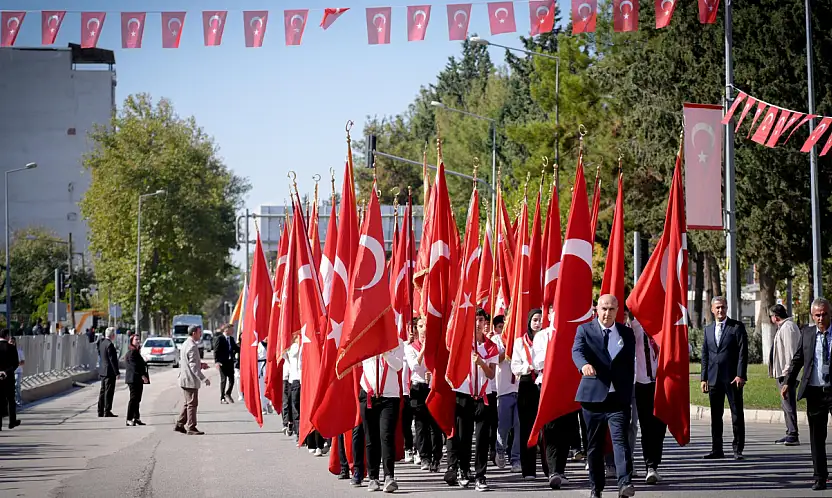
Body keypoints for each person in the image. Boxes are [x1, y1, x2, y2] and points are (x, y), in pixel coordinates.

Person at [573, 294, 636, 498]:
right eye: (603, 309)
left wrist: (627, 390)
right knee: (594, 446)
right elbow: (577, 352)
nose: (607, 313)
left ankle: (624, 483)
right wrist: (584, 365)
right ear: (596, 310)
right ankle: (596, 487)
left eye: (611, 309)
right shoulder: (584, 330)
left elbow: (628, 364)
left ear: (617, 310)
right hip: (593, 399)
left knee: (620, 441)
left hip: (617, 399)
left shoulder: (626, 333)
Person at [781, 298, 832, 491]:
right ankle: (820, 477)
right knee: (817, 438)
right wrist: (787, 382)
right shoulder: (807, 333)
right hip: (815, 392)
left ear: (830, 314)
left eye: (824, 314)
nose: (821, 318)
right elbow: (798, 360)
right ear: (812, 316)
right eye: (817, 315)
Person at [444, 309, 497, 491]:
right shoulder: (461, 344)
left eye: (481, 320)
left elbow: (491, 375)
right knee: (464, 436)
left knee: (482, 437)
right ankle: (463, 470)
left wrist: (481, 362)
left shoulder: (491, 346)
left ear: (485, 323)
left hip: (483, 396)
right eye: (474, 320)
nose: (478, 323)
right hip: (464, 394)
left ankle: (481, 475)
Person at [700, 296, 748, 460]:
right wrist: (703, 378)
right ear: (712, 309)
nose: (720, 310)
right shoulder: (708, 329)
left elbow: (743, 353)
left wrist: (741, 374)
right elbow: (705, 355)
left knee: (736, 414)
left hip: (732, 379)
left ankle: (737, 449)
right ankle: (717, 449)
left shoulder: (736, 327)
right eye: (717, 308)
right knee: (715, 416)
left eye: (723, 307)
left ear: (727, 308)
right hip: (714, 379)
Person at [535, 306, 578, 489]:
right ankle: (552, 470)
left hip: (567, 385)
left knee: (567, 427)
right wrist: (555, 354)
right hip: (547, 384)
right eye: (554, 311)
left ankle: (561, 469)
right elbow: (537, 362)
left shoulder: (572, 333)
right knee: (551, 428)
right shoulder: (542, 336)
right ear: (550, 314)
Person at [360, 342, 405, 493]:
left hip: (389, 396)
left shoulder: (397, 341)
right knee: (371, 437)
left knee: (386, 435)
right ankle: (373, 477)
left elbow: (398, 366)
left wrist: (385, 352)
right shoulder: (365, 337)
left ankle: (389, 476)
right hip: (368, 394)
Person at [511, 308, 548, 480]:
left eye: (540, 319)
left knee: (546, 428)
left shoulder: (548, 339)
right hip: (526, 384)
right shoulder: (520, 342)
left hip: (544, 382)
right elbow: (515, 367)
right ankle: (529, 469)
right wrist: (530, 367)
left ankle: (551, 468)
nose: (537, 322)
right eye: (534, 319)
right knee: (527, 427)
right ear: (529, 321)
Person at [406, 316, 443, 473]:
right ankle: (425, 457)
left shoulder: (436, 346)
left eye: (425, 326)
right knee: (421, 425)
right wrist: (423, 349)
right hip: (418, 388)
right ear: (416, 329)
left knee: (435, 424)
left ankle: (437, 457)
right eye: (420, 326)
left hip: (433, 386)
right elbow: (414, 366)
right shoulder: (411, 347)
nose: (423, 330)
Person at [632, 317, 667, 484]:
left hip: (664, 382)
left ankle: (655, 463)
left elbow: (684, 347)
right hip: (642, 383)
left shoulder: (665, 324)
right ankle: (650, 466)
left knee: (660, 425)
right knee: (646, 426)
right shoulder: (635, 327)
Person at [490, 314, 521, 473]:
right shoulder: (496, 340)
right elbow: (497, 359)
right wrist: (507, 345)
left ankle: (515, 458)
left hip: (519, 388)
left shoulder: (520, 339)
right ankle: (500, 450)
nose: (504, 328)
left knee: (518, 425)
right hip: (504, 389)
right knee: (503, 427)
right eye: (501, 326)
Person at [769, 303, 801, 446]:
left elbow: (791, 353)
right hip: (783, 373)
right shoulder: (784, 327)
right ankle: (790, 431)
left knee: (788, 403)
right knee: (786, 403)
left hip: (787, 374)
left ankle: (793, 434)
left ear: (775, 317)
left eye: (771, 316)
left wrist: (788, 376)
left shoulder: (788, 328)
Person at [175, 325, 210, 435]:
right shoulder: (192, 346)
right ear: (194, 333)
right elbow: (193, 366)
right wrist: (204, 379)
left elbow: (191, 362)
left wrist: (201, 364)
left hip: (184, 378)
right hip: (189, 380)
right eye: (199, 332)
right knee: (192, 404)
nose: (200, 335)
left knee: (188, 403)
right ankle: (191, 427)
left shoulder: (186, 343)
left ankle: (180, 424)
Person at [124, 333, 149, 426]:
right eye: (136, 340)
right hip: (133, 379)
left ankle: (136, 417)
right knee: (133, 399)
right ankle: (129, 418)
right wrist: (142, 375)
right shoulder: (132, 352)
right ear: (131, 341)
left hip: (137, 379)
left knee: (137, 399)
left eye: (139, 339)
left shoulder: (136, 351)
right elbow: (134, 367)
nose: (138, 341)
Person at [97, 327, 120, 418]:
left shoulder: (102, 343)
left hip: (102, 370)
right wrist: (117, 372)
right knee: (109, 392)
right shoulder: (110, 345)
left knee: (102, 391)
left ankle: (100, 411)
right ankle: (107, 410)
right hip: (109, 371)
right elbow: (112, 360)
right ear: (113, 335)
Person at [0, 329, 20, 430]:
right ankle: (12, 421)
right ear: (7, 336)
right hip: (9, 376)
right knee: (11, 399)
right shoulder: (11, 348)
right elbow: (16, 363)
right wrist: (9, 371)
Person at [213, 324, 238, 404]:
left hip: (230, 362)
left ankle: (228, 393)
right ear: (226, 330)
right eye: (231, 329)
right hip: (222, 363)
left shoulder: (231, 339)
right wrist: (216, 361)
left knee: (232, 380)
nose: (232, 331)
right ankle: (222, 398)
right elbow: (216, 351)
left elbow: (236, 348)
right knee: (224, 380)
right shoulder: (220, 338)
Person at [8, 335, 24, 406]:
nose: (12, 343)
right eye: (11, 342)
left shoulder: (19, 351)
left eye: (13, 342)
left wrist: (16, 364)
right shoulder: (6, 351)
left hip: (18, 371)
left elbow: (23, 362)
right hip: (9, 372)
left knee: (17, 385)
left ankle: (19, 400)